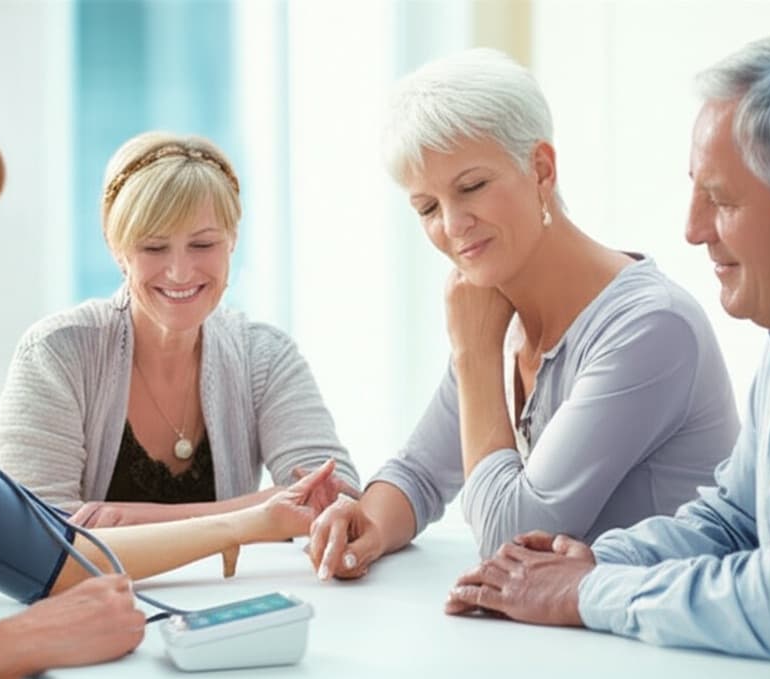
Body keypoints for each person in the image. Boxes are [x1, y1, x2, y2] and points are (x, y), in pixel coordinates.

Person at [0, 70, 345, 675]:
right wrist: (20, 643)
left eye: (202, 244)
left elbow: (53, 549)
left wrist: (252, 518)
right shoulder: (61, 349)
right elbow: (54, 530)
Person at [444, 30, 770, 661]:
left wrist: (588, 592)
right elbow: (736, 521)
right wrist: (594, 559)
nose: (691, 230)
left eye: (720, 200)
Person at [309, 48, 739, 581]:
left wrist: (473, 355)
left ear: (540, 168)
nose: (453, 223)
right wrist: (364, 523)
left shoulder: (651, 327)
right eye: (427, 207)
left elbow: (512, 539)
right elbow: (420, 473)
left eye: (472, 187)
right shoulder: (500, 315)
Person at [0, 130, 359, 527]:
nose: (180, 272)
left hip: (232, 592)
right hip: (98, 591)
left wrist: (126, 520)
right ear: (116, 248)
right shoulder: (56, 352)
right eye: (153, 248)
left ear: (233, 240)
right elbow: (27, 529)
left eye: (203, 245)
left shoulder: (264, 356)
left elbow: (333, 496)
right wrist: (260, 512)